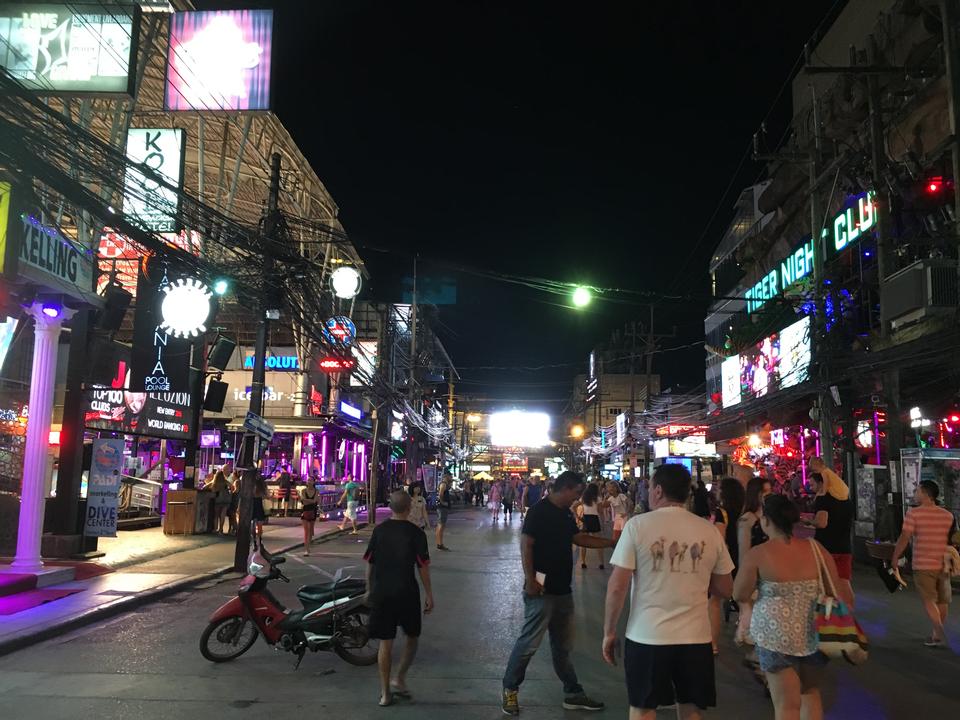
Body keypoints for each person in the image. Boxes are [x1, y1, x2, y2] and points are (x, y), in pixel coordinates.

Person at [603, 464, 734, 720]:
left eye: (650, 487)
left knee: (643, 708)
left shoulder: (637, 526)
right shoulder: (709, 530)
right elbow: (725, 588)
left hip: (647, 636)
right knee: (690, 708)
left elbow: (617, 586)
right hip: (696, 638)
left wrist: (609, 632)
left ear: (658, 490)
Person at [501, 471, 614, 715]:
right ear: (565, 489)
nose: (578, 498)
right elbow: (526, 544)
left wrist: (610, 542)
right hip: (541, 590)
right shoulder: (539, 512)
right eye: (576, 493)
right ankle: (510, 689)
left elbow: (577, 538)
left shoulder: (565, 513)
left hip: (563, 590)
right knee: (528, 644)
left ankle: (572, 693)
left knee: (563, 647)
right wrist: (530, 580)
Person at [734, 494, 851, 720]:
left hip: (775, 635)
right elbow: (835, 589)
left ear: (767, 521)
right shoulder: (816, 549)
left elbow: (739, 593)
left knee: (786, 705)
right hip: (814, 632)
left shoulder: (758, 554)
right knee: (810, 693)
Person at [364, 491, 434, 707]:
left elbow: (370, 563)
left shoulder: (379, 531)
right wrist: (429, 594)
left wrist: (369, 589)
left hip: (382, 592)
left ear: (392, 507)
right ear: (409, 508)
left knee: (386, 642)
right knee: (412, 637)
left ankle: (385, 693)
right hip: (406, 591)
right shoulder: (416, 534)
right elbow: (422, 567)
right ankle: (400, 677)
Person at [891, 479, 956, 648]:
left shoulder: (914, 514)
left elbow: (905, 537)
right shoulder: (948, 515)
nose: (915, 494)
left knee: (929, 600)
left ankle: (939, 632)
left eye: (917, 491)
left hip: (923, 563)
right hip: (944, 563)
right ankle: (935, 635)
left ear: (926, 494)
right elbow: (952, 538)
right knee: (942, 600)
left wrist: (895, 557)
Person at [802, 461, 854, 605]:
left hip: (826, 547)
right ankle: (848, 614)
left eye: (812, 485)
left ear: (822, 482)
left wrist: (808, 521)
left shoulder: (823, 499)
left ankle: (829, 618)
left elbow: (822, 522)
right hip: (844, 547)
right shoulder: (846, 500)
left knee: (826, 584)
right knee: (844, 582)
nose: (811, 488)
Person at [737, 476, 772, 677]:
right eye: (764, 491)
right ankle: (764, 669)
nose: (768, 495)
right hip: (756, 578)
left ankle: (759, 662)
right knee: (760, 624)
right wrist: (746, 580)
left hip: (772, 575)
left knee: (765, 624)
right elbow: (744, 553)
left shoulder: (769, 516)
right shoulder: (747, 519)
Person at [709, 477, 745, 655]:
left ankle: (713, 644)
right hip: (745, 558)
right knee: (746, 600)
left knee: (715, 600)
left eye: (718, 488)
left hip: (727, 561)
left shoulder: (721, 512)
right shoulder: (745, 510)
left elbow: (719, 539)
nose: (715, 490)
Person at [573, 483, 605, 569]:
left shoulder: (583, 498)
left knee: (584, 542)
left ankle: (583, 562)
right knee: (598, 541)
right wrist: (603, 521)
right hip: (594, 519)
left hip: (585, 519)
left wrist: (578, 517)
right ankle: (601, 562)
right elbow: (600, 511)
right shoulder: (598, 499)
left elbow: (574, 506)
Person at [300, 478, 320, 556]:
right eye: (308, 480)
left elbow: (314, 501)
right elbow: (304, 502)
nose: (309, 482)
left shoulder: (316, 491)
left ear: (314, 482)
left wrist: (306, 500)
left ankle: (309, 544)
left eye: (311, 480)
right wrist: (309, 501)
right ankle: (306, 549)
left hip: (313, 511)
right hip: (305, 511)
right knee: (306, 531)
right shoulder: (304, 491)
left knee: (311, 531)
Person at [211, 466, 231, 533]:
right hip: (225, 499)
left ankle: (215, 528)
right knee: (222, 515)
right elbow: (232, 487)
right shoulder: (225, 482)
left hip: (218, 499)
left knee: (216, 515)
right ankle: (221, 529)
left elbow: (205, 487)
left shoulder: (214, 482)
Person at [435, 473, 452, 551]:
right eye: (450, 476)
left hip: (443, 507)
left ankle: (440, 543)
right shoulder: (443, 484)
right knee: (441, 525)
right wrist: (442, 502)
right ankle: (439, 544)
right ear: (446, 476)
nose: (451, 477)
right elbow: (440, 494)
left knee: (441, 525)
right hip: (442, 507)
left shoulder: (445, 484)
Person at [251, 474, 268, 540]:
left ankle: (253, 537)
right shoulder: (262, 486)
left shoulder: (251, 486)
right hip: (259, 504)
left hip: (252, 503)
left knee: (252, 521)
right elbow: (266, 496)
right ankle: (259, 537)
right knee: (259, 522)